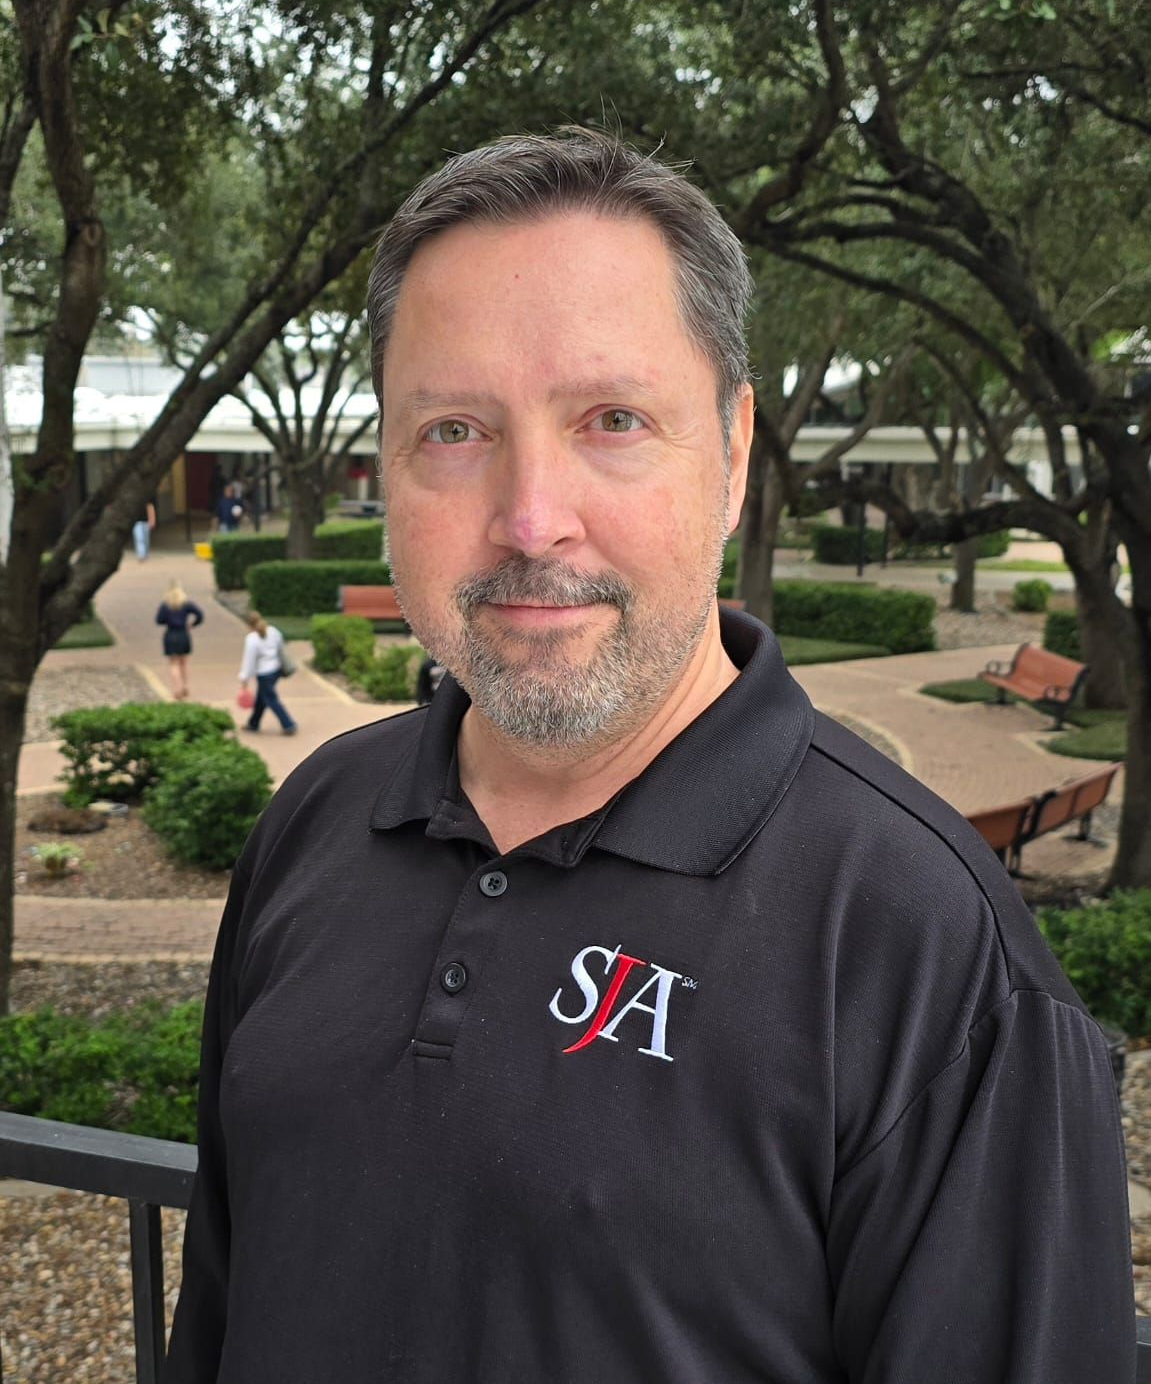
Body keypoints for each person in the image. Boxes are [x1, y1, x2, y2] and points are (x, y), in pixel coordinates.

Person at [167, 132, 1134, 1384]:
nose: (528, 518)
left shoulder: (924, 952)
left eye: (611, 420)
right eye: (454, 429)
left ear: (731, 454)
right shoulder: (316, 819)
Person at [237, 610, 297, 735]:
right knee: (262, 698)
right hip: (275, 671)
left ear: (248, 625)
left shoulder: (252, 639)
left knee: (270, 698)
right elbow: (281, 647)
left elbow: (249, 661)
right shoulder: (273, 631)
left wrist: (244, 678)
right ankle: (253, 723)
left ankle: (288, 724)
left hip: (264, 674)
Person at [155, 582, 204, 700]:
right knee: (184, 663)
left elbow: (158, 620)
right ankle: (185, 685)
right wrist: (192, 624)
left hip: (171, 634)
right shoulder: (186, 604)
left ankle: (177, 689)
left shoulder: (165, 605)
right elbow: (200, 614)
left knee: (173, 664)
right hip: (183, 634)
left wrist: (168, 620)